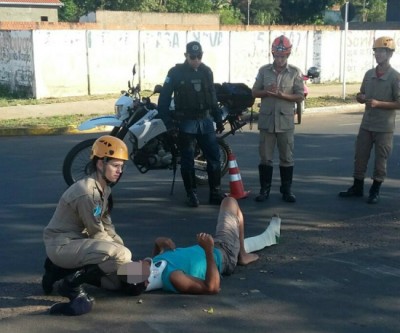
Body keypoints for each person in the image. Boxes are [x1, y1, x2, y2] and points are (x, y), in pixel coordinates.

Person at [42, 135, 144, 316]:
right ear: (100, 164)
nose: (119, 171)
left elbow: (107, 225)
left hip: (80, 244)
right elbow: (97, 232)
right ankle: (70, 285)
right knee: (122, 257)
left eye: (121, 166)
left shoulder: (104, 189)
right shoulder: (86, 192)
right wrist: (125, 258)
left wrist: (127, 261)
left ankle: (57, 272)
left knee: (119, 284)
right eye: (115, 165)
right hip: (62, 245)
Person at [123, 197, 281, 294]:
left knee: (230, 207)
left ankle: (245, 250)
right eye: (138, 267)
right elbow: (212, 288)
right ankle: (242, 255)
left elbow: (159, 264)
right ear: (146, 282)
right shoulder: (174, 278)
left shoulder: (156, 269)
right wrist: (208, 250)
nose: (137, 262)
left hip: (214, 247)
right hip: (224, 254)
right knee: (230, 202)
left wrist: (158, 245)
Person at [157, 41, 226, 208]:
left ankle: (215, 193)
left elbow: (212, 97)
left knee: (214, 157)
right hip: (185, 122)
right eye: (192, 57)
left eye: (199, 56)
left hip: (205, 121)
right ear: (186, 56)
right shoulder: (175, 73)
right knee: (187, 160)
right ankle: (191, 194)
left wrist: (218, 118)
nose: (196, 60)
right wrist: (168, 124)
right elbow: (164, 100)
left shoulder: (206, 71)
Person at [339, 36, 400, 204]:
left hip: (384, 126)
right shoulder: (369, 74)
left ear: (390, 54)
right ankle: (357, 186)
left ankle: (375, 190)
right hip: (367, 124)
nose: (378, 54)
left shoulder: (395, 77)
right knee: (360, 156)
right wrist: (360, 97)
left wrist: (379, 103)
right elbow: (361, 93)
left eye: (382, 51)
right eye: (376, 51)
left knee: (381, 159)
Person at [251, 35, 304, 204]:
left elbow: (300, 96)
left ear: (288, 55)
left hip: (285, 122)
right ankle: (264, 189)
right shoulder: (264, 70)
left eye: (283, 56)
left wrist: (283, 95)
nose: (280, 59)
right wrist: (266, 91)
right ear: (272, 54)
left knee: (286, 157)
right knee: (265, 157)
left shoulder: (295, 72)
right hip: (267, 121)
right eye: (277, 56)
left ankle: (286, 190)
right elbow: (254, 92)